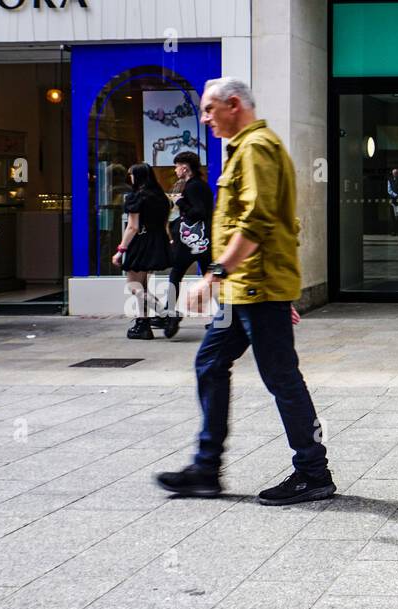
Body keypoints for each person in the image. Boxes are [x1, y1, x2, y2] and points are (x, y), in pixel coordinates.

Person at [155, 77, 334, 506]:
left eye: (209, 110)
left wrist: (214, 274)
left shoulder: (256, 149)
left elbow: (258, 222)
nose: (205, 119)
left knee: (281, 378)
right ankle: (205, 469)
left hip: (256, 288)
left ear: (233, 104)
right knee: (210, 363)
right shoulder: (247, 149)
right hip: (247, 290)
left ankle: (313, 472)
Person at [112, 163, 173, 340]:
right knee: (143, 285)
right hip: (156, 241)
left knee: (133, 286)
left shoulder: (136, 197)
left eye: (131, 175)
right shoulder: (161, 197)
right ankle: (142, 324)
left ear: (137, 177)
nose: (130, 178)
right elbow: (164, 223)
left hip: (140, 242)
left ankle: (167, 313)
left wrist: (120, 250)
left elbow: (132, 227)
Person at [158, 150, 214, 338]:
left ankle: (171, 312)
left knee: (176, 274)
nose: (175, 170)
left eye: (176, 166)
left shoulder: (193, 187)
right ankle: (221, 315)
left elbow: (199, 211)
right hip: (202, 239)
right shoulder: (200, 185)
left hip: (192, 240)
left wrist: (181, 202)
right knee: (210, 277)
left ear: (184, 167)